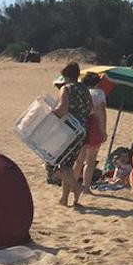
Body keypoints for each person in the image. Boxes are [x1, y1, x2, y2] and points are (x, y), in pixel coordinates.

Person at [51, 62, 92, 207]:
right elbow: (90, 110)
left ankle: (77, 188)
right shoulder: (85, 90)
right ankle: (64, 199)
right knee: (67, 165)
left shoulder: (66, 88)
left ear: (65, 76)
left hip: (68, 131)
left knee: (54, 165)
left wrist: (51, 113)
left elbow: (62, 109)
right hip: (82, 132)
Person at [74, 72, 108, 194]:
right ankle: (86, 187)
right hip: (93, 125)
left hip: (80, 124)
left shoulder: (81, 92)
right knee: (90, 160)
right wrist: (103, 130)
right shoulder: (99, 93)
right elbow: (101, 112)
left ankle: (72, 184)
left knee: (78, 160)